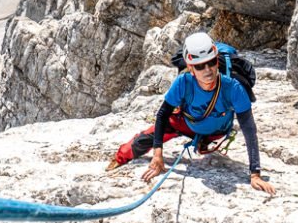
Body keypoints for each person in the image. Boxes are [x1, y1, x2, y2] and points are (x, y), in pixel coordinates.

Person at [107, 32, 275, 195]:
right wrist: (158, 154)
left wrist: (255, 174)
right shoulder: (183, 82)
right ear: (190, 68)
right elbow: (163, 114)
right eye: (200, 66)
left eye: (211, 62)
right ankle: (118, 159)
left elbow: (249, 129)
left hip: (217, 130)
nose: (207, 70)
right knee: (140, 141)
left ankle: (202, 140)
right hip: (187, 124)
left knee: (206, 132)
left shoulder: (233, 88)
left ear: (217, 60)